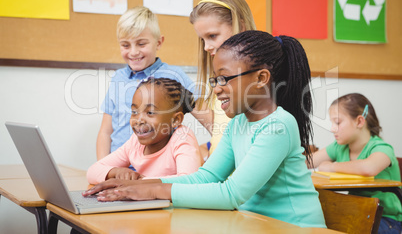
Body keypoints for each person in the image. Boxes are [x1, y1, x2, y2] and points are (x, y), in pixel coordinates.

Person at [83, 30, 326, 228]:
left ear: (261, 78)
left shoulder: (278, 126)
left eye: (224, 78)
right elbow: (206, 177)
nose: (217, 89)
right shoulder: (238, 124)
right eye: (215, 80)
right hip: (256, 225)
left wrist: (154, 190)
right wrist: (137, 186)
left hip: (294, 228)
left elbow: (231, 193)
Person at [97, 6, 211, 160]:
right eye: (125, 45)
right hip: (120, 164)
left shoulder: (174, 75)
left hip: (159, 166)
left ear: (158, 43)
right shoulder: (118, 78)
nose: (133, 52)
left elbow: (208, 118)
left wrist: (215, 147)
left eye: (141, 44)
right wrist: (103, 167)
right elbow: (105, 131)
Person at [311, 93, 402, 233]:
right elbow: (309, 161)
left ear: (359, 122)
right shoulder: (339, 147)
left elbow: (369, 168)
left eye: (337, 122)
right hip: (354, 216)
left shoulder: (382, 148)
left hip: (387, 220)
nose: (332, 129)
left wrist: (331, 167)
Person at [88, 77, 202, 184]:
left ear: (176, 120)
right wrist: (116, 172)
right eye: (134, 112)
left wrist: (141, 182)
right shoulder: (135, 143)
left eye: (150, 112)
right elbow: (92, 171)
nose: (139, 120)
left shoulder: (182, 138)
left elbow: (189, 181)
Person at [189, 0, 257, 157]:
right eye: (202, 39)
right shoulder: (220, 83)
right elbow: (222, 134)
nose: (206, 47)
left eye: (212, 36)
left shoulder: (257, 84)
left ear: (240, 27)